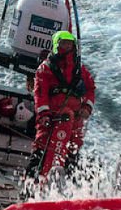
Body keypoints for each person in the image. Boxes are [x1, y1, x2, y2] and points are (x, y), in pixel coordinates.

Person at [28, 31, 95, 178]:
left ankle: (69, 188)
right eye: (63, 43)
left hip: (75, 120)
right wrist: (44, 114)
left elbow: (91, 88)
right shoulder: (45, 68)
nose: (66, 46)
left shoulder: (80, 69)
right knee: (40, 149)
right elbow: (40, 94)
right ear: (56, 45)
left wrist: (87, 108)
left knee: (73, 152)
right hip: (51, 118)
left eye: (69, 43)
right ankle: (29, 187)